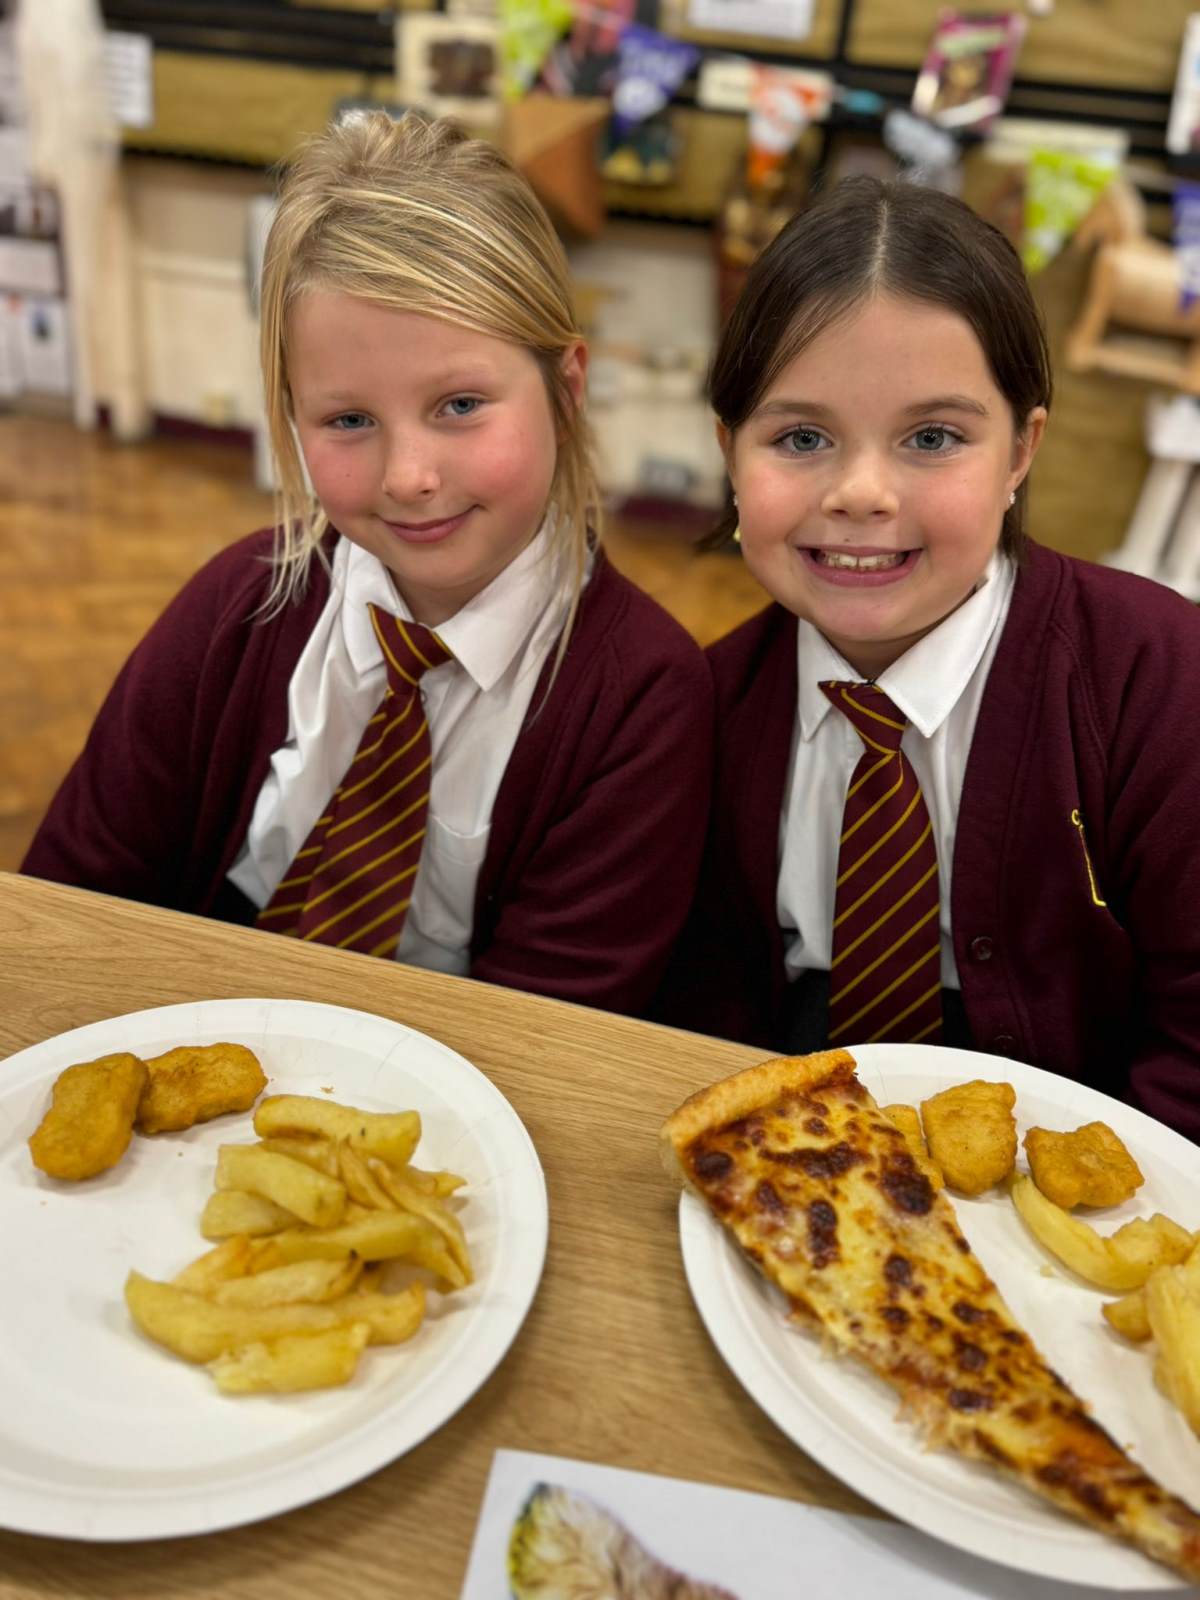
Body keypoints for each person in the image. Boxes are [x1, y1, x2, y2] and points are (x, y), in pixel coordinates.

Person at [22, 110, 713, 1017]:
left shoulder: (643, 700)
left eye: (460, 404)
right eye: (349, 420)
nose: (408, 478)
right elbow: (70, 902)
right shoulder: (237, 609)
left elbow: (552, 1026)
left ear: (567, 388)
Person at [664, 174, 1200, 1138]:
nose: (862, 492)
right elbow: (693, 1009)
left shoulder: (1159, 681)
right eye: (801, 436)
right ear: (730, 453)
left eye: (934, 437)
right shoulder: (703, 706)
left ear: (1021, 451)